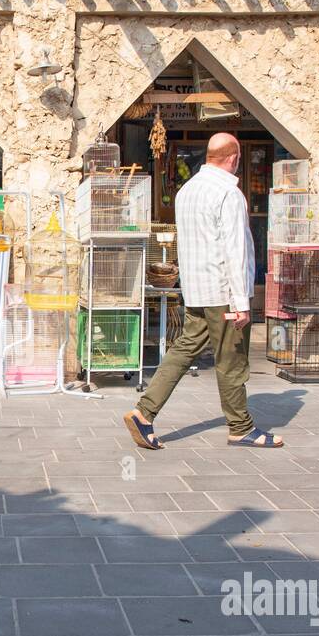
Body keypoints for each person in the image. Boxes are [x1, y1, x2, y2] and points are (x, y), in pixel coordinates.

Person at [123, 133, 284, 451]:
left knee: (184, 349)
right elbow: (234, 248)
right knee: (232, 358)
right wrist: (241, 301)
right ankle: (240, 427)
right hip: (223, 290)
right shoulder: (228, 193)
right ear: (235, 157)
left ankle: (144, 412)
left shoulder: (187, 191)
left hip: (196, 289)